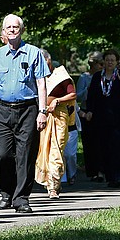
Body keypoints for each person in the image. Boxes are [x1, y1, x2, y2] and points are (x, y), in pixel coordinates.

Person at [0, 14, 49, 213]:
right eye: (8, 27)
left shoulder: (33, 53)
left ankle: (21, 199)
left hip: (27, 109)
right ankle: (6, 192)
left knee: (25, 155)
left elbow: (41, 84)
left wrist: (42, 111)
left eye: (15, 27)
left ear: (22, 29)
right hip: (2, 110)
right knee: (2, 154)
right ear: (3, 32)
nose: (12, 30)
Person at [85, 49, 120, 188]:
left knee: (116, 148)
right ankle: (108, 176)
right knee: (104, 148)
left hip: (118, 119)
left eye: (113, 60)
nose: (110, 62)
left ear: (117, 62)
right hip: (101, 119)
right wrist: (90, 111)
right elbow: (92, 97)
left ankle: (117, 177)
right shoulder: (97, 77)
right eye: (107, 60)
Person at [35, 49, 77, 197]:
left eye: (44, 60)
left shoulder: (60, 75)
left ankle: (53, 185)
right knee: (44, 149)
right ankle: (50, 183)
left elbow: (72, 94)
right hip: (43, 116)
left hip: (59, 115)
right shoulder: (37, 76)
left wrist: (57, 101)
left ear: (49, 60)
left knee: (56, 148)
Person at [76, 52, 104, 182]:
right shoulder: (84, 77)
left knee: (100, 142)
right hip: (86, 112)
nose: (100, 66)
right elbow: (77, 97)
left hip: (100, 112)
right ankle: (91, 170)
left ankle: (101, 170)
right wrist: (87, 90)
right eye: (98, 64)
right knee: (89, 143)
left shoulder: (103, 77)